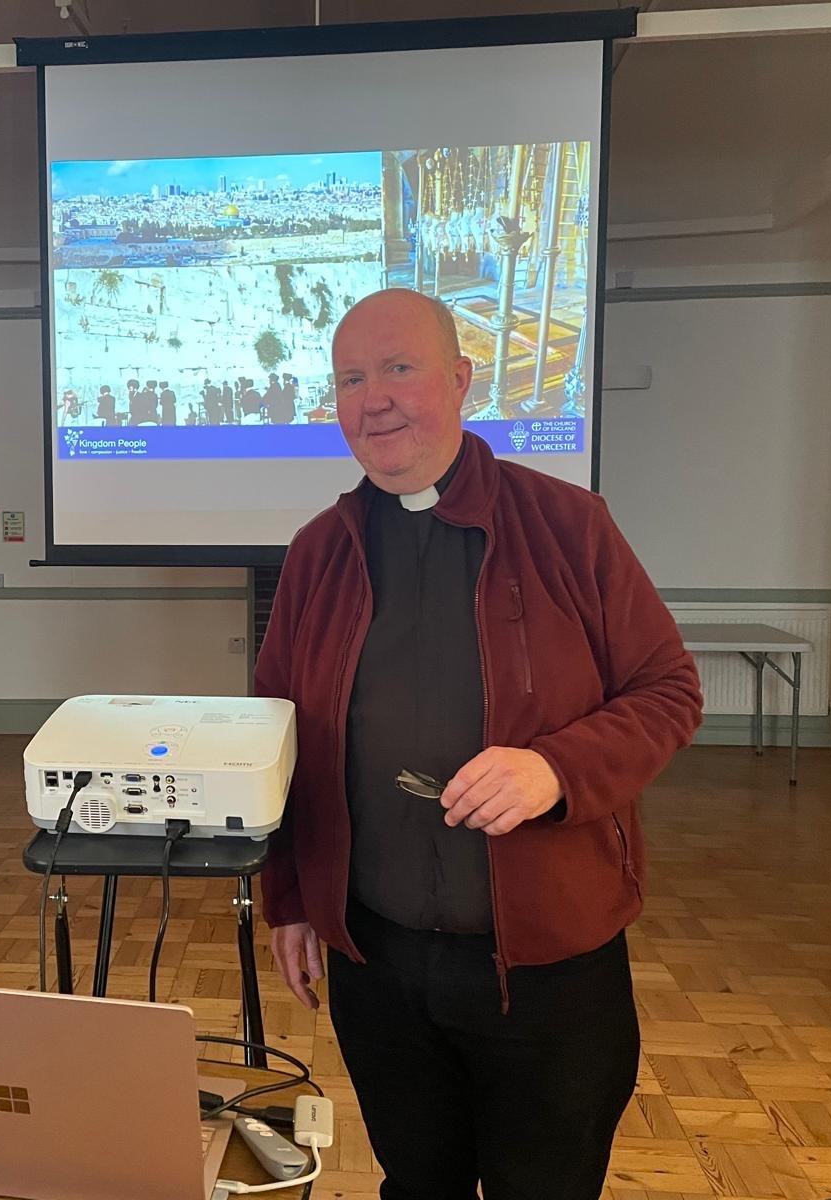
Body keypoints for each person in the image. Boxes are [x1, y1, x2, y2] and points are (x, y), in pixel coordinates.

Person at [257, 289, 702, 1200]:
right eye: (350, 378)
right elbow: (278, 734)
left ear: (462, 380)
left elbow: (669, 692)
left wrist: (554, 769)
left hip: (546, 969)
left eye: (399, 368)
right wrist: (291, 898)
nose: (373, 397)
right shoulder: (317, 554)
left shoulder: (570, 527)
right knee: (417, 1184)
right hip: (375, 966)